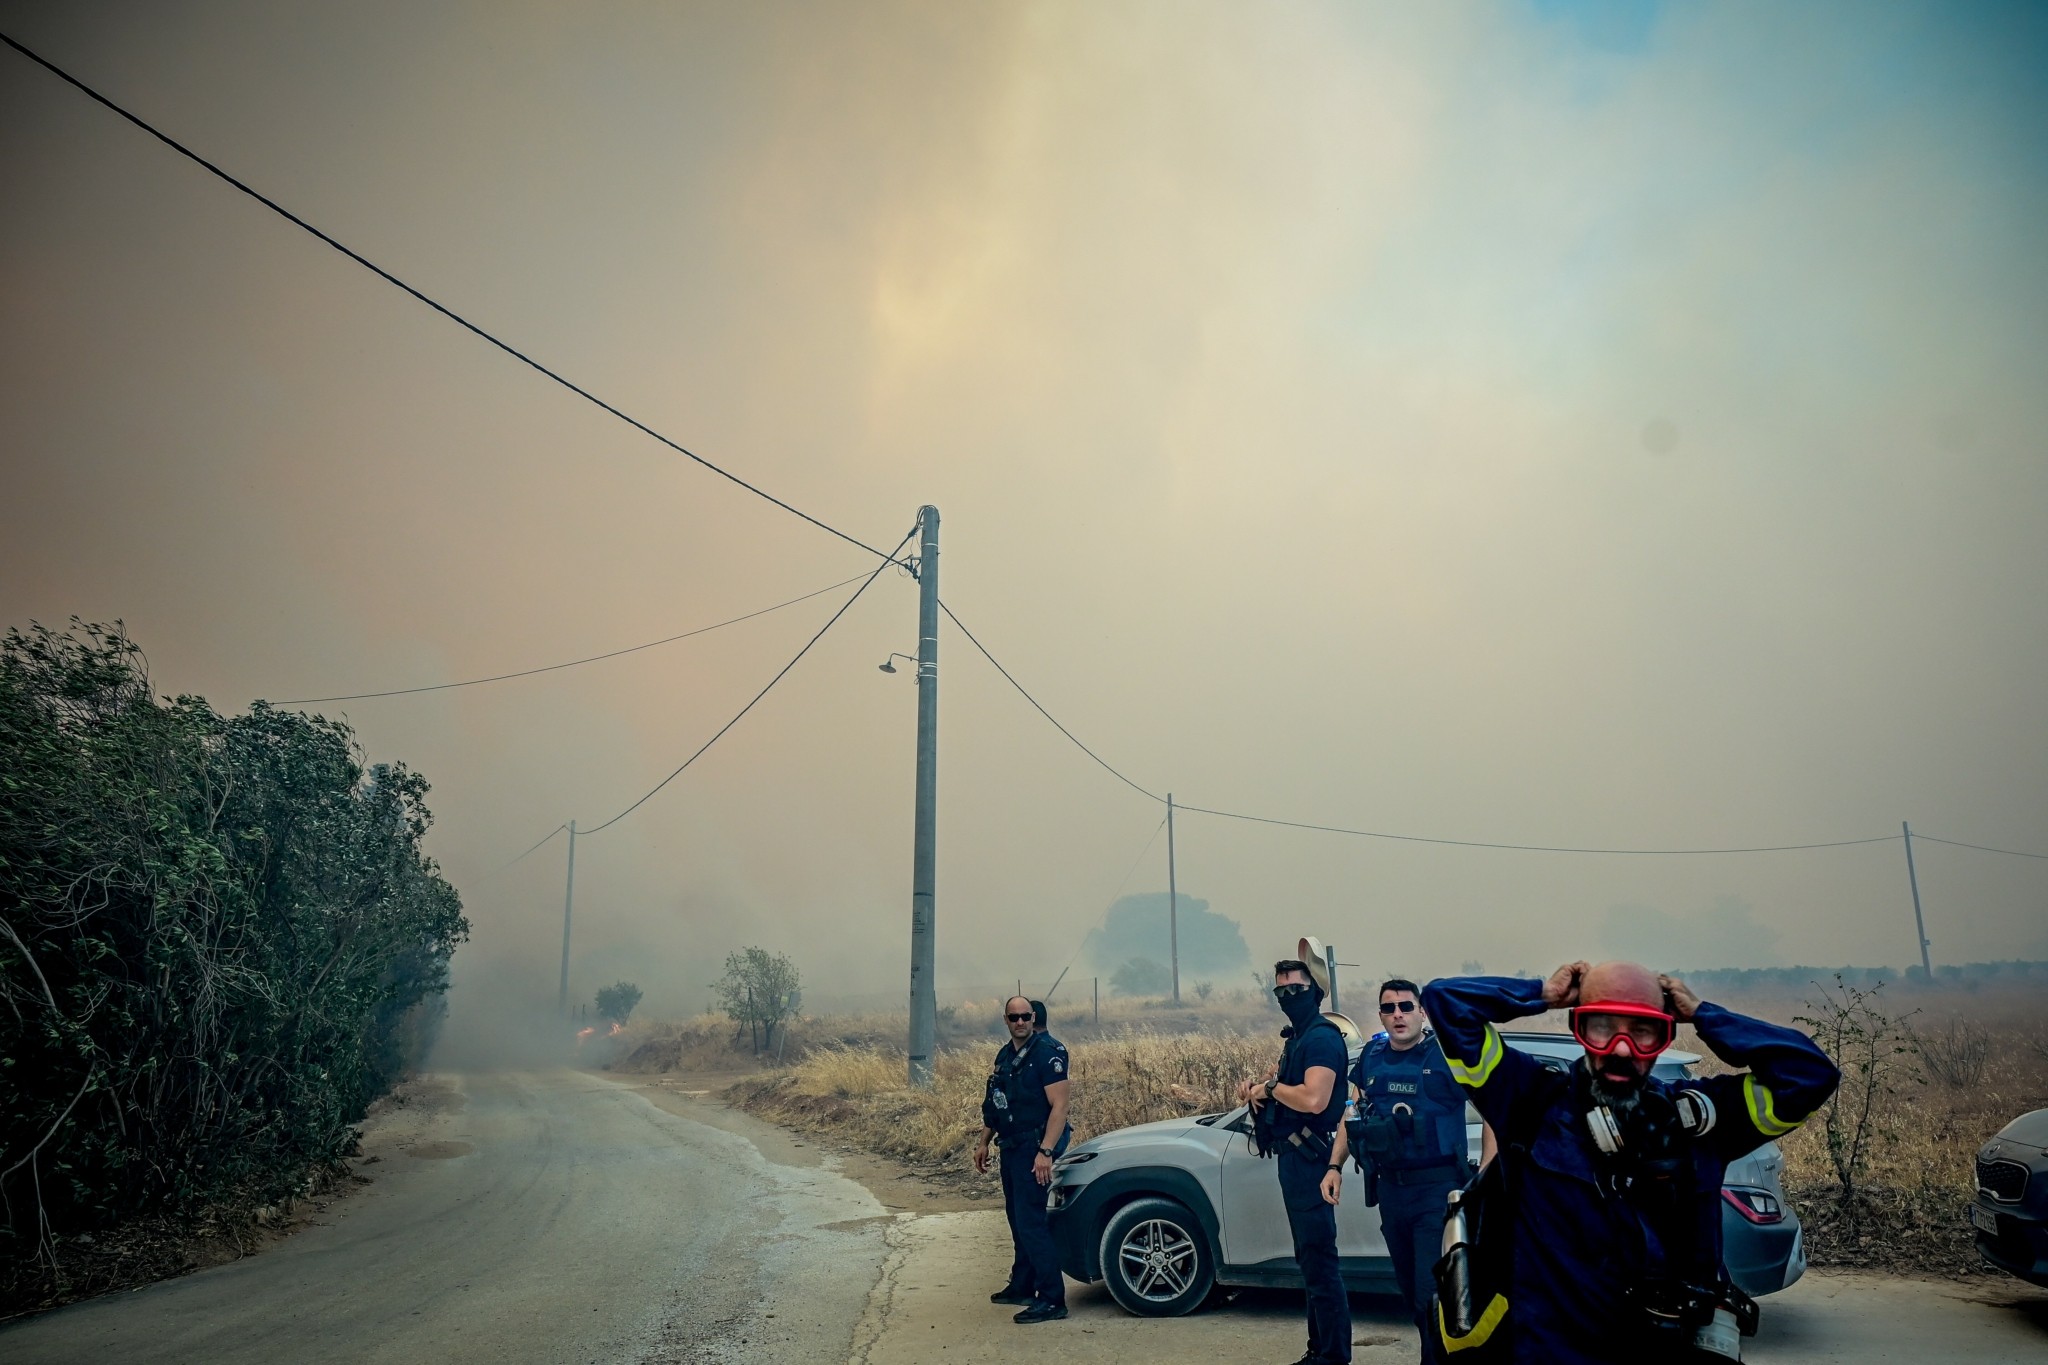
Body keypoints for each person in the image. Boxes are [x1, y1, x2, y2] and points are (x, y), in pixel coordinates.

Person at [1421, 961, 1840, 1364]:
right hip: (1551, 1353)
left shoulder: (1700, 1122)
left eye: (1643, 1031)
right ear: (1578, 1029)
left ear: (1665, 1035)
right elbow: (1446, 1002)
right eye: (1602, 1027)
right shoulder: (1530, 1102)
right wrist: (1542, 994)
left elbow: (1809, 1075)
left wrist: (1704, 1014)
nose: (1621, 1049)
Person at [1321, 978, 1471, 1357]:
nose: (1398, 1015)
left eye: (1406, 1006)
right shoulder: (1372, 1058)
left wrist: (1483, 1174)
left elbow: (1493, 1114)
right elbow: (1350, 1114)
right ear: (1381, 1015)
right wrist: (1335, 1165)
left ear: (1422, 1011)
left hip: (1437, 1191)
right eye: (1389, 1008)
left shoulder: (1446, 1056)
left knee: (1430, 1294)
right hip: (1391, 1190)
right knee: (1409, 1290)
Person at [1237, 952, 1351, 1365]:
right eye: (1281, 989)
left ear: (1315, 991)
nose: (1288, 995)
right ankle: (1318, 1349)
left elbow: (1314, 1098)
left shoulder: (1320, 1037)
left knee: (1320, 1265)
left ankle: (1333, 1356)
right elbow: (1288, 1093)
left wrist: (1270, 1087)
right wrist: (1259, 1095)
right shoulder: (1299, 1037)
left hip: (1311, 1161)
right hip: (1295, 1161)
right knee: (1310, 1262)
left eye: (1297, 989)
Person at [974, 994, 1072, 1324]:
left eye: (1025, 1017)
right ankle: (1022, 1284)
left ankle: (1052, 1298)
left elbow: (1060, 1107)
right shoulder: (1005, 1056)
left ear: (1034, 1019)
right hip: (1011, 1146)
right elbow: (998, 1103)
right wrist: (984, 1141)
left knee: (1031, 1222)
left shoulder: (1047, 1053)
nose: (1020, 1022)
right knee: (1017, 1220)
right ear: (1005, 1020)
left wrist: (1045, 1152)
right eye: (1013, 1017)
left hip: (1034, 1149)